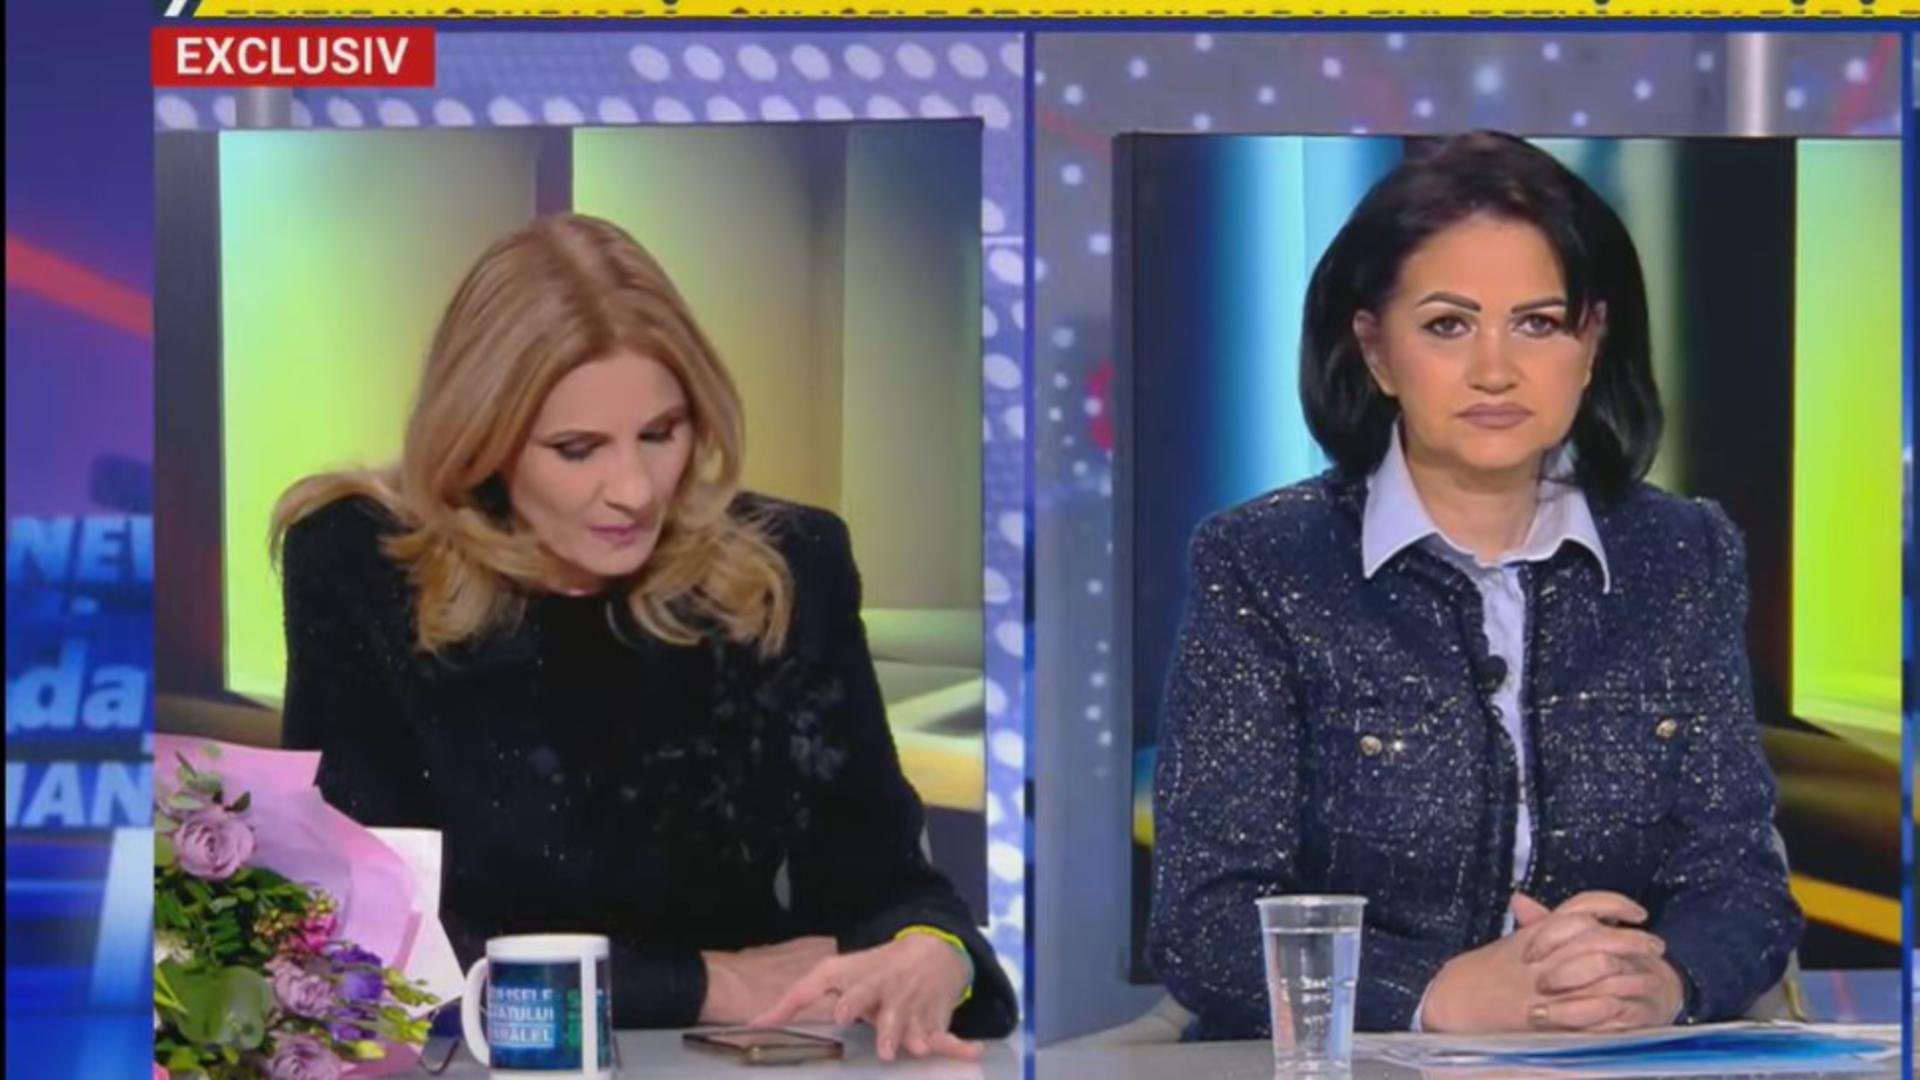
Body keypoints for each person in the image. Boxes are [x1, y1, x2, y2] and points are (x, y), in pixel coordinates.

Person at [274, 213, 1015, 1060]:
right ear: (485, 440)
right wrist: (701, 984)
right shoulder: (361, 562)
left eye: (661, 434)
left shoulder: (784, 569)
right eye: (577, 449)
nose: (633, 489)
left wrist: (935, 953)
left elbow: (880, 878)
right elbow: (370, 939)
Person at [1147, 131, 1802, 1038]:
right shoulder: (1264, 561)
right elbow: (1206, 920)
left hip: (1618, 1053)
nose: (1496, 370)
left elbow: (1741, 880)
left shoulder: (1684, 556)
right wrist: (1437, 992)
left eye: (1538, 324)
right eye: (1448, 325)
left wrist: (1662, 980)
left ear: (1591, 342)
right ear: (1376, 350)